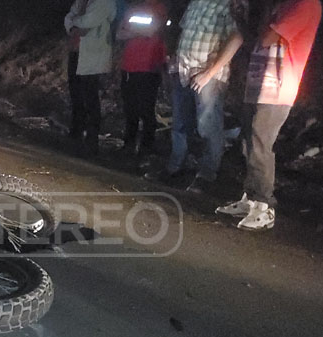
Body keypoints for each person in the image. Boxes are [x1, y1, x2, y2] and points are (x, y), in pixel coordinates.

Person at [216, 0, 321, 230]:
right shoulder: (282, 5)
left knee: (261, 144)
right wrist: (242, 17)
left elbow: (267, 38)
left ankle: (265, 206)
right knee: (248, 143)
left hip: (278, 87)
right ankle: (250, 198)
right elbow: (255, 38)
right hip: (259, 82)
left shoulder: (307, 5)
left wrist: (257, 17)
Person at [146, 0, 243, 194]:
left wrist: (209, 73)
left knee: (208, 127)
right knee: (181, 123)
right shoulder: (196, 3)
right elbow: (184, 32)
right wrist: (174, 58)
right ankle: (176, 166)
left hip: (208, 76)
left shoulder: (228, 4)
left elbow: (236, 38)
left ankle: (206, 175)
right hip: (183, 71)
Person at [116, 0, 167, 167]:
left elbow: (153, 30)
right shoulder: (133, 9)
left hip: (149, 68)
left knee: (146, 110)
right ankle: (128, 145)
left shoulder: (159, 8)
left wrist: (132, 31)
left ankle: (146, 148)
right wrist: (140, 32)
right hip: (129, 67)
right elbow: (119, 34)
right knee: (130, 109)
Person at [64, 0, 117, 154]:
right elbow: (69, 17)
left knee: (90, 97)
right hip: (77, 51)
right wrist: (74, 26)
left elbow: (89, 20)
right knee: (76, 94)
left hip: (93, 55)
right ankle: (76, 133)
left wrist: (74, 23)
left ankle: (91, 139)